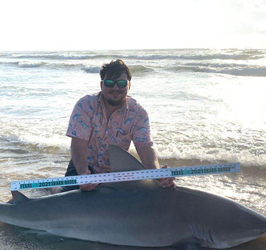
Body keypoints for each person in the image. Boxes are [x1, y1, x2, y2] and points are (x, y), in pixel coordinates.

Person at [51, 59, 175, 193]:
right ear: (101, 85)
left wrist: (156, 174)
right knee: (67, 199)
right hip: (86, 166)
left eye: (121, 83)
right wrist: (83, 174)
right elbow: (78, 144)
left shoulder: (138, 112)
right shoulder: (85, 105)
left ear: (129, 86)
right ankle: (53, 188)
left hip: (118, 171)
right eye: (109, 83)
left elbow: (145, 146)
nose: (115, 88)